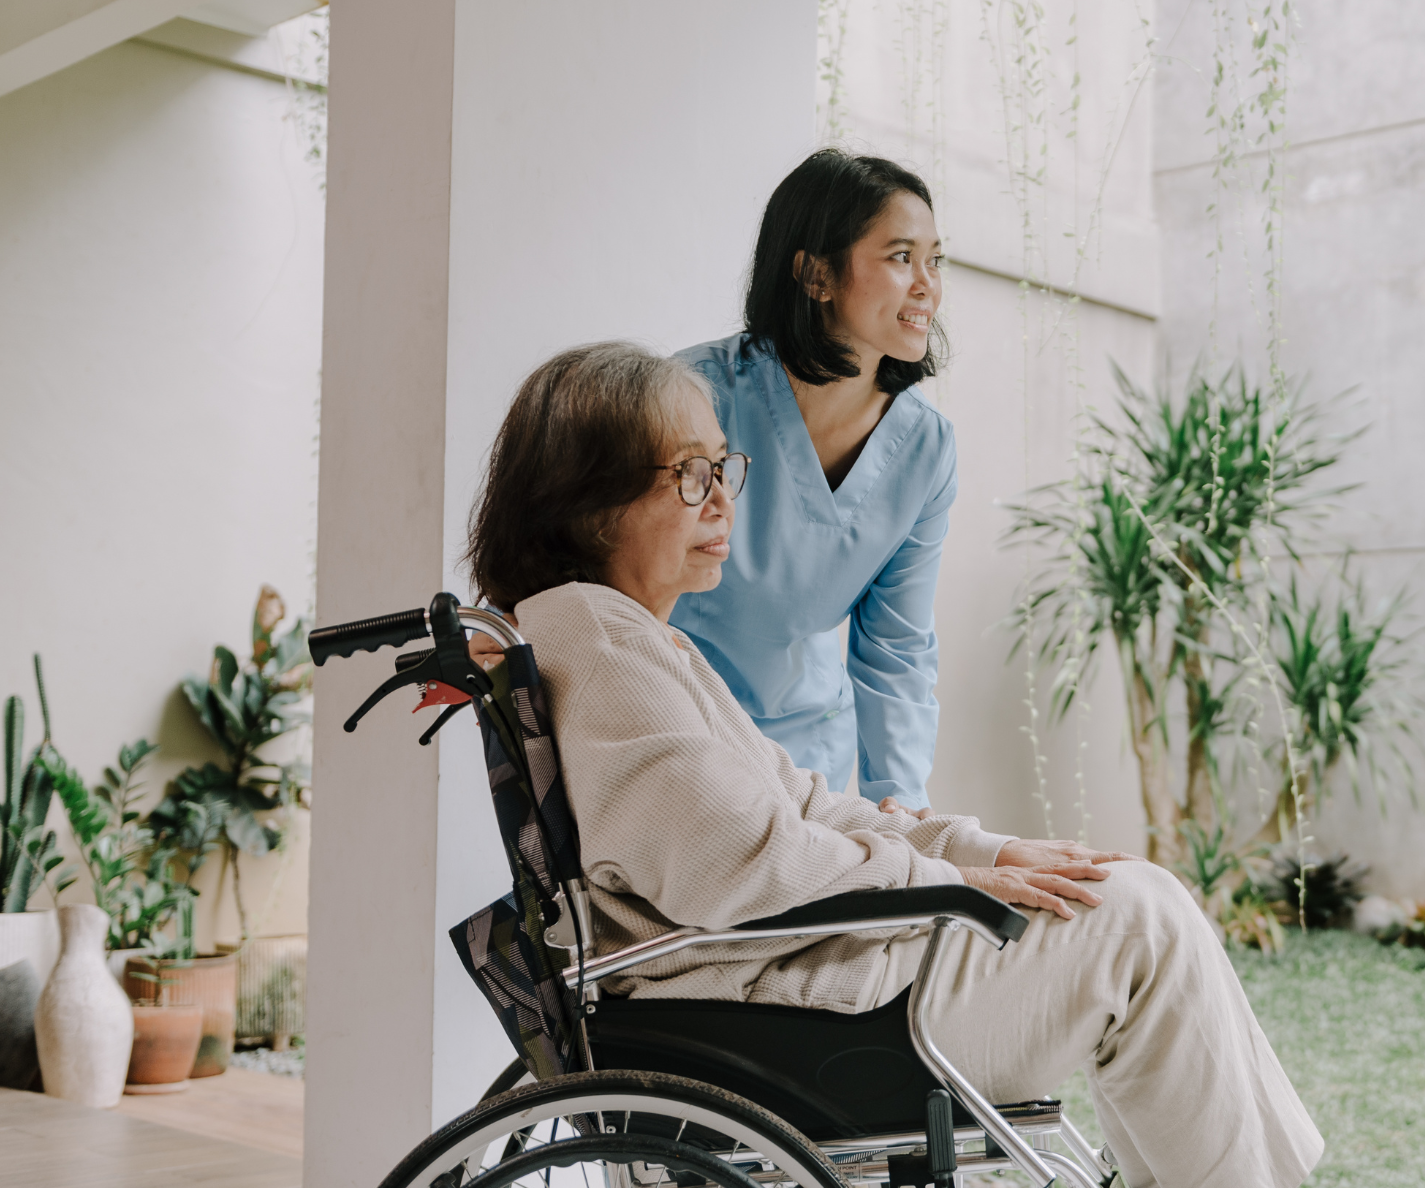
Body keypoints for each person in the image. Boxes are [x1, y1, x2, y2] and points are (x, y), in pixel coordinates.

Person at [463, 341, 1324, 1188]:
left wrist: (977, 854)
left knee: (1133, 897)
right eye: (691, 474)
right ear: (588, 500)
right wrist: (937, 880)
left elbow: (803, 805)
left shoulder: (627, 638)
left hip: (784, 983)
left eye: (726, 468)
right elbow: (738, 860)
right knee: (1139, 918)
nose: (723, 501)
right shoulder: (604, 641)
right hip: (785, 1013)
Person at [672, 149, 955, 815]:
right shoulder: (693, 396)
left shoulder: (926, 448)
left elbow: (896, 647)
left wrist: (901, 803)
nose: (927, 285)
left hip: (810, 767)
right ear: (815, 274)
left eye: (935, 260)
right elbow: (605, 574)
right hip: (679, 735)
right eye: (900, 257)